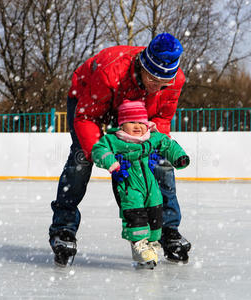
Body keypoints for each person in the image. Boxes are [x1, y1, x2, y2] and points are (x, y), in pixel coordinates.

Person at [49, 32, 192, 267]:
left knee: (161, 165)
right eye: (153, 79)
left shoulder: (173, 81)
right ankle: (63, 229)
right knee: (80, 160)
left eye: (164, 83)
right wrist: (102, 154)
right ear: (143, 67)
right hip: (90, 97)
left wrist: (155, 148)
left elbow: (162, 118)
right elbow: (86, 118)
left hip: (138, 112)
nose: (158, 88)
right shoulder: (110, 73)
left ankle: (167, 229)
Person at [91, 100, 190, 268]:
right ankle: (138, 244)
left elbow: (167, 143)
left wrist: (178, 157)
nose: (137, 126)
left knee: (155, 209)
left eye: (141, 122)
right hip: (130, 184)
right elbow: (98, 150)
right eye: (131, 122)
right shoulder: (115, 139)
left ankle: (152, 242)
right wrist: (111, 162)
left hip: (151, 184)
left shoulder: (152, 137)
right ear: (122, 125)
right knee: (134, 211)